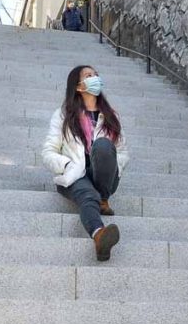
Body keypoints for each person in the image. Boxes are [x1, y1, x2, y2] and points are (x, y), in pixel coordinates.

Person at [42, 65, 127, 261]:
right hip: (75, 172)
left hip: (103, 174)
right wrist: (66, 166)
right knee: (87, 195)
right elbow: (48, 152)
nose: (95, 78)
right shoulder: (63, 115)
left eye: (96, 75)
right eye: (89, 76)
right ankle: (99, 236)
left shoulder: (112, 116)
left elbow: (123, 151)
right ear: (79, 86)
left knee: (104, 145)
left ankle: (104, 198)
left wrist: (116, 168)